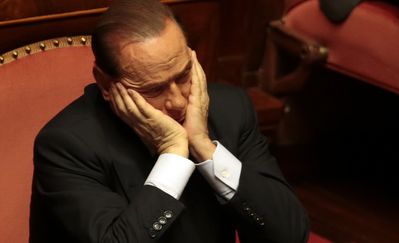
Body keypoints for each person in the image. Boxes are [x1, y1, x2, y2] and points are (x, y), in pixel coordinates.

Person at [29, 0, 309, 242]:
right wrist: (174, 153)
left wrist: (204, 148)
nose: (177, 101)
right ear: (105, 83)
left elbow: (290, 233)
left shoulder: (229, 109)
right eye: (154, 89)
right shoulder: (66, 145)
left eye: (184, 74)